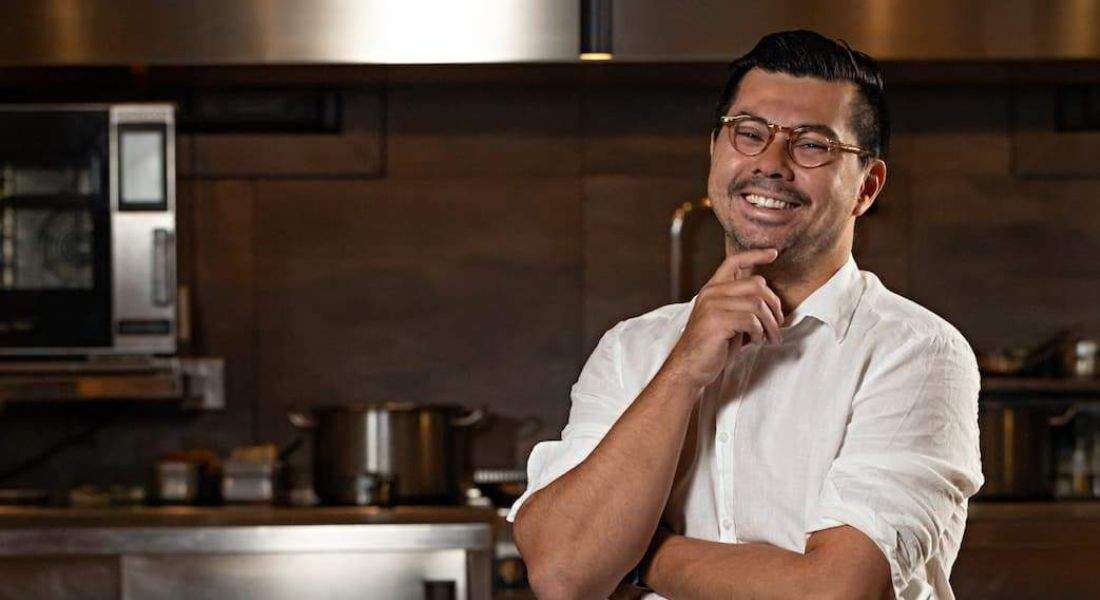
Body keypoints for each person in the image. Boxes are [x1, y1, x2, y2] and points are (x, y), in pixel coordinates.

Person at [509, 30, 983, 600]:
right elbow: (563, 573)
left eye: (812, 145)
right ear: (716, 150)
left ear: (867, 186)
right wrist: (684, 368)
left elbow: (836, 593)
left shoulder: (915, 349)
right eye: (749, 134)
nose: (772, 165)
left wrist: (639, 556)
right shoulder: (633, 349)